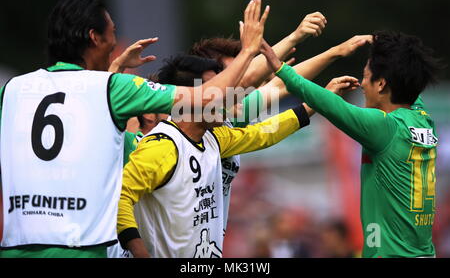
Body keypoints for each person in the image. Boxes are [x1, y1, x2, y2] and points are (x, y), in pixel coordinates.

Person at [0, 0, 268, 258]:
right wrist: (248, 51)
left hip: (14, 248)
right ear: (95, 37)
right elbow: (206, 96)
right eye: (112, 32)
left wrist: (114, 67)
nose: (115, 41)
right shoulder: (115, 88)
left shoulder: (12, 90)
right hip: (82, 249)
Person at [116, 49, 356, 257]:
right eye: (217, 91)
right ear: (193, 97)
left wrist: (315, 103)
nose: (226, 99)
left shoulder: (214, 138)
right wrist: (140, 252)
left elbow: (264, 133)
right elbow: (122, 198)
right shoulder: (161, 146)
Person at [265, 30, 444, 258]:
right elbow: (407, 75)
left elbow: (329, 104)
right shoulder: (424, 120)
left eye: (366, 77)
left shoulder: (384, 128)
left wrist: (280, 69)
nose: (362, 85)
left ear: (381, 84)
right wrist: (390, 47)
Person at [188, 33, 372, 235]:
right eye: (233, 77)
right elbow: (265, 132)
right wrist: (296, 37)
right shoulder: (186, 129)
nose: (241, 85)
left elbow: (280, 86)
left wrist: (333, 52)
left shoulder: (229, 117)